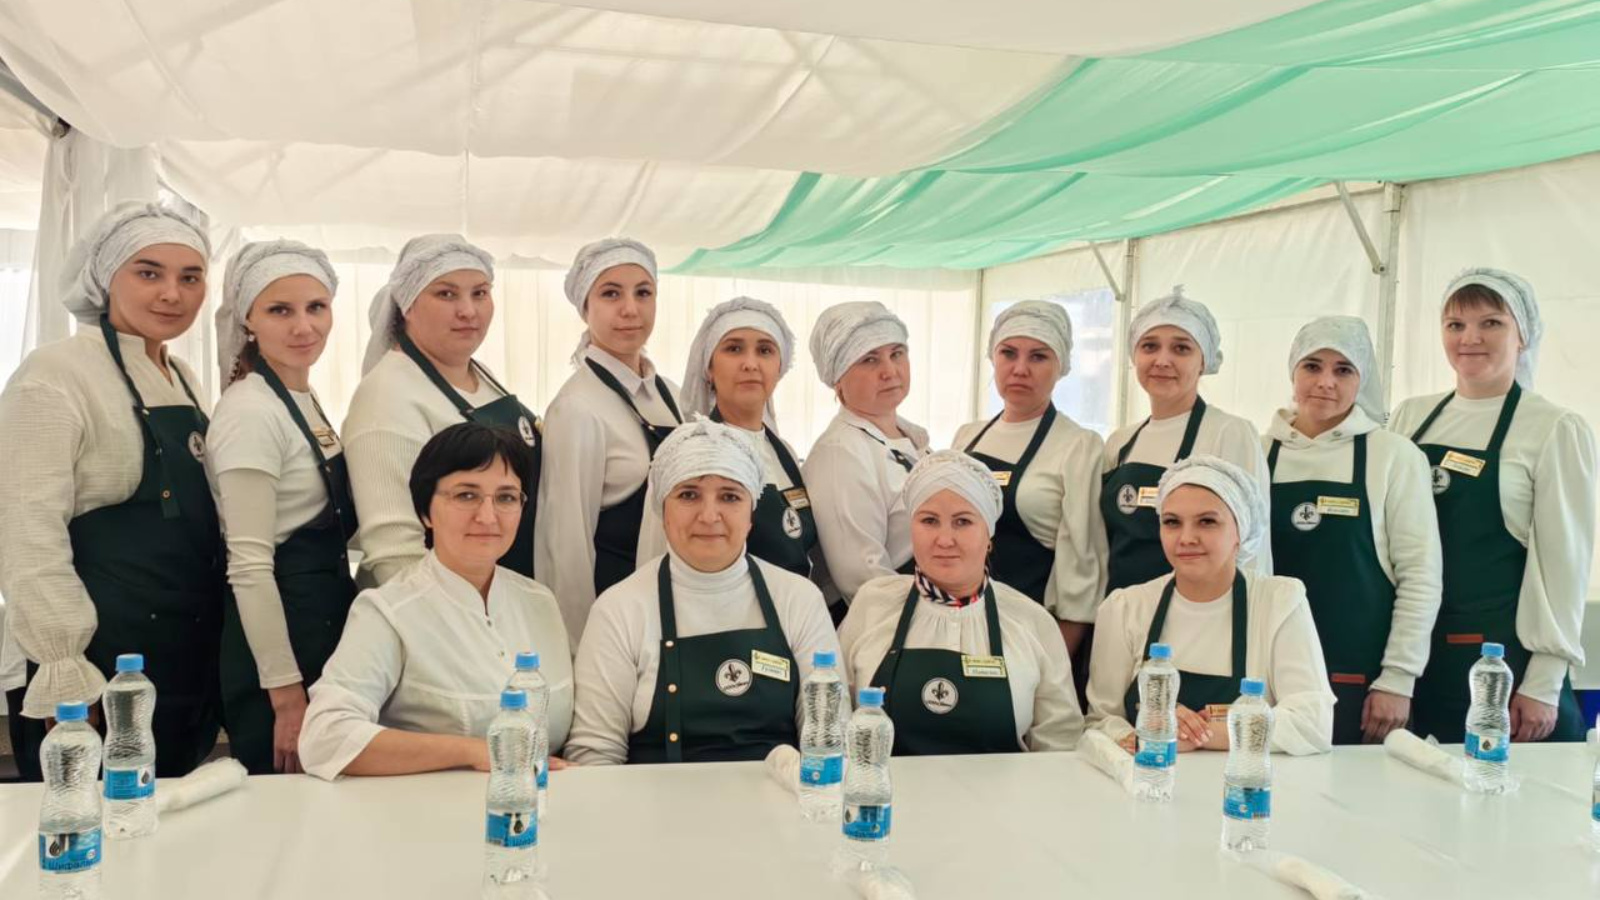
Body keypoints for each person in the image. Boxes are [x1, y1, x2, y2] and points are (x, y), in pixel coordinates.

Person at [0, 203, 223, 779]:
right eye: (148, 273)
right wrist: (65, 666)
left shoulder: (182, 377)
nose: (172, 293)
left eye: (190, 277)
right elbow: (26, 531)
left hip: (177, 652)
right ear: (105, 278)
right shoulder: (56, 374)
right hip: (98, 667)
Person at [298, 423, 573, 779]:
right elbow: (324, 737)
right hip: (427, 809)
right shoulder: (389, 611)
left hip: (535, 805)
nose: (487, 516)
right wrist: (474, 752)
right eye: (466, 495)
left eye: (506, 497)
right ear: (425, 511)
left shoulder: (540, 602)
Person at [1390, 269, 1594, 744]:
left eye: (1491, 323)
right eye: (1455, 325)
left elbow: (1563, 564)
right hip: (1413, 660)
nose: (1470, 338)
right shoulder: (1410, 417)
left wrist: (1544, 680)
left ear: (1523, 335)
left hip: (1501, 668)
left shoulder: (1553, 427)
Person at [566, 420, 839, 765]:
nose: (709, 516)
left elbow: (830, 739)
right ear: (662, 510)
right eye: (689, 495)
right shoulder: (619, 609)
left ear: (751, 513)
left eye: (729, 496)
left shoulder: (799, 600)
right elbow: (595, 755)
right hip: (652, 800)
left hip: (778, 796)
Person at [205, 241, 358, 775]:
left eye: (316, 307)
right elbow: (248, 566)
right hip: (281, 642)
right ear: (248, 319)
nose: (303, 327)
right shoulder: (250, 411)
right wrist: (286, 694)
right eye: (280, 310)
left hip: (321, 621)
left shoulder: (300, 398)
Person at [1264, 317, 1441, 745]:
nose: (1325, 382)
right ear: (1292, 371)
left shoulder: (1393, 456)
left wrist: (1397, 679)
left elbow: (1420, 576)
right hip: (1267, 677)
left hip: (1361, 682)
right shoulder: (1256, 451)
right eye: (1312, 366)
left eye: (1343, 370)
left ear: (1362, 380)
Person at [839, 451, 1083, 754]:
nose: (944, 540)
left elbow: (1060, 744)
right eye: (929, 520)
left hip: (1004, 788)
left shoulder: (1031, 621)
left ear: (989, 534)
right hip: (885, 786)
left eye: (963, 521)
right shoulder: (873, 605)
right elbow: (835, 716)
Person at [1086, 456, 1334, 756]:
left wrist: (1196, 734)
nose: (1187, 538)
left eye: (1207, 521)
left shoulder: (1278, 602)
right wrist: (1147, 732)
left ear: (1240, 531)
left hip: (1245, 782)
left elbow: (1312, 723)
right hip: (1153, 778)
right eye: (1172, 522)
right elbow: (1102, 721)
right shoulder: (1126, 608)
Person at [343, 235, 540, 583]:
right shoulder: (385, 397)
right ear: (407, 306)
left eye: (480, 293)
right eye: (446, 294)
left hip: (500, 588)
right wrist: (458, 614)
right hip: (438, 600)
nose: (468, 310)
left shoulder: (478, 373)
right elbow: (395, 554)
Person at [537, 238, 682, 643]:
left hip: (673, 608)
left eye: (643, 293)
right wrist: (579, 648)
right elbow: (565, 544)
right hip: (616, 619)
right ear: (585, 307)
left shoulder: (672, 395)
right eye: (611, 294)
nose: (630, 309)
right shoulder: (577, 408)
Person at [954, 301, 1106, 657]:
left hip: (1034, 632)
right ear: (993, 358)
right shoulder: (967, 437)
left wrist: (1054, 664)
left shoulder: (1078, 445)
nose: (1020, 369)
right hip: (961, 621)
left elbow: (1081, 567)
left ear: (1061, 366)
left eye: (1038, 357)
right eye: (1008, 353)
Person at [1101, 288, 1271, 595]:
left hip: (1199, 610)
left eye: (1181, 348)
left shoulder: (1230, 432)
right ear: (1134, 356)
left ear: (1204, 361)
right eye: (1150, 346)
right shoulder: (1119, 442)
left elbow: (1251, 547)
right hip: (1122, 609)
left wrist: (1246, 612)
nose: (1162, 360)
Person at [637, 297, 817, 577]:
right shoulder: (686, 452)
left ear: (780, 367)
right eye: (734, 349)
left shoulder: (785, 453)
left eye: (765, 350)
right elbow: (654, 564)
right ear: (709, 368)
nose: (750, 364)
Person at [802, 301, 931, 620]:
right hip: (891, 623)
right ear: (838, 379)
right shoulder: (841, 453)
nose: (890, 371)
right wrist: (927, 626)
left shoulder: (911, 436)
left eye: (897, 353)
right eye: (869, 360)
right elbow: (864, 581)